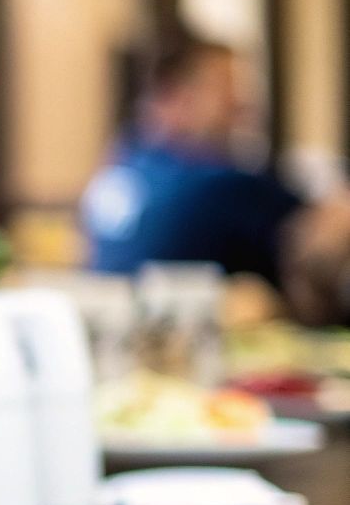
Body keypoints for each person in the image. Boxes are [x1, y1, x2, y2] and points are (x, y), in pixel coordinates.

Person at [81, 32, 350, 325]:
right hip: (181, 340)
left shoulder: (120, 162)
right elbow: (326, 227)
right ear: (178, 95)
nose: (241, 104)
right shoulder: (216, 187)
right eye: (226, 88)